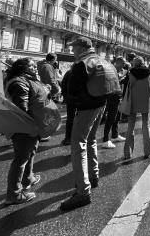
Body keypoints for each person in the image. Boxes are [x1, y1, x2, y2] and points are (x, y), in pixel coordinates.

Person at [60, 37, 108, 211]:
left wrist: (72, 100)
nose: (72, 51)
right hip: (101, 105)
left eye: (74, 48)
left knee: (78, 145)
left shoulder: (82, 64)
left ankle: (83, 192)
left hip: (86, 107)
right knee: (91, 140)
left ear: (81, 48)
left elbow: (72, 89)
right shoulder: (100, 60)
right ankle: (93, 176)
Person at [4, 58, 44, 205]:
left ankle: (28, 178)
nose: (35, 67)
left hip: (30, 125)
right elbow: (23, 109)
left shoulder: (26, 80)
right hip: (24, 126)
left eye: (35, 65)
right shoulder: (18, 83)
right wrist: (33, 126)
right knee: (21, 159)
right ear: (22, 68)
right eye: (31, 65)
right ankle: (13, 194)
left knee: (30, 152)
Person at [124, 56, 150, 160]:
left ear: (134, 64)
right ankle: (148, 151)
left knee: (130, 126)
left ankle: (127, 153)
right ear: (143, 63)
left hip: (132, 101)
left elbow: (126, 88)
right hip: (145, 101)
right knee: (146, 125)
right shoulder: (149, 73)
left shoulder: (130, 73)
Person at [102, 56, 126, 148]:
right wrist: (122, 79)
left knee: (117, 117)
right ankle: (105, 140)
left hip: (118, 96)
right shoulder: (111, 70)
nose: (124, 65)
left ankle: (115, 135)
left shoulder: (120, 71)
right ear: (118, 62)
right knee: (111, 118)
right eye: (123, 63)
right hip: (112, 96)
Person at [60, 67, 74, 146]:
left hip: (71, 100)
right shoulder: (87, 71)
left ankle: (68, 138)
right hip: (83, 102)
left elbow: (63, 84)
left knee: (70, 119)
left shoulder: (69, 72)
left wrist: (66, 97)